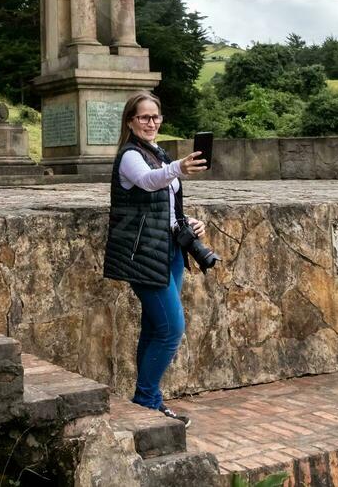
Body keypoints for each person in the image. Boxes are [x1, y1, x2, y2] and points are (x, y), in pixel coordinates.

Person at [103, 90, 208, 427]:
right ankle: (146, 399)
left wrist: (186, 221)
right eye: (144, 117)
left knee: (155, 327)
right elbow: (149, 183)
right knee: (171, 329)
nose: (151, 122)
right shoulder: (131, 156)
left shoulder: (157, 153)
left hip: (169, 250)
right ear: (131, 121)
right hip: (143, 254)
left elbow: (163, 202)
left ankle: (147, 402)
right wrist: (177, 167)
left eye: (156, 116)